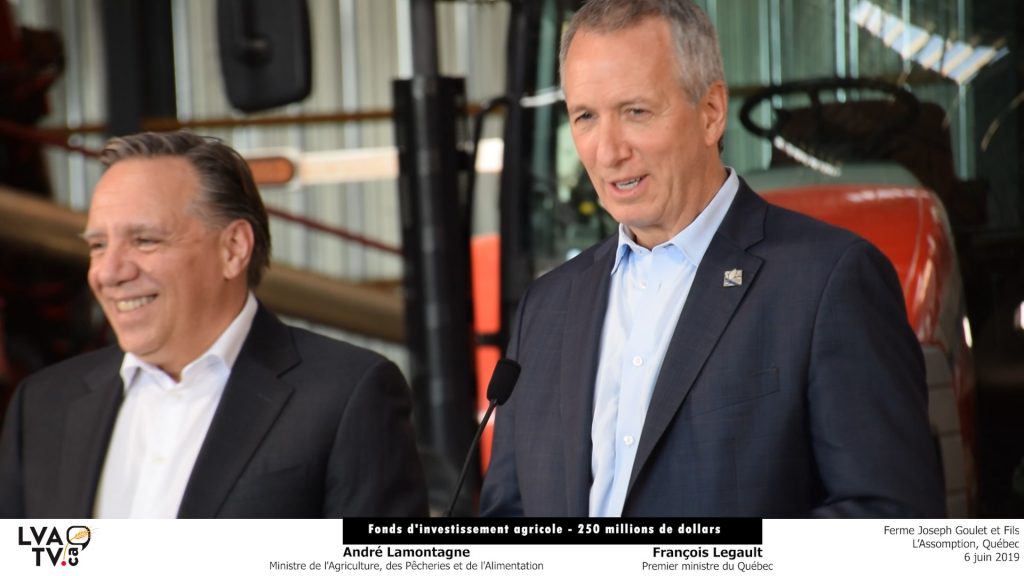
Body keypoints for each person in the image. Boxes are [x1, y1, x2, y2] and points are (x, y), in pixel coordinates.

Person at [480, 0, 944, 517]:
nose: (608, 151)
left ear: (711, 113)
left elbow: (891, 523)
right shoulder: (544, 309)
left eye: (636, 111)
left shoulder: (829, 284)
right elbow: (507, 517)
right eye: (586, 116)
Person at [0, 131, 428, 518]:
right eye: (97, 245)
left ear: (233, 248)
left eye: (145, 240)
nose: (109, 272)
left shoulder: (346, 396)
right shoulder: (42, 405)